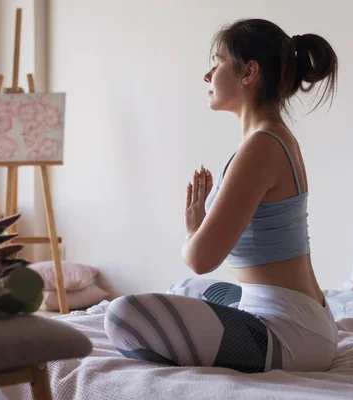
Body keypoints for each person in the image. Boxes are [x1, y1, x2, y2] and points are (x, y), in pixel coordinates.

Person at [104, 18, 339, 373]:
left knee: (121, 316)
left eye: (216, 63)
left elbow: (199, 257)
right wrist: (201, 230)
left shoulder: (262, 146)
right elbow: (200, 269)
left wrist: (191, 232)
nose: (207, 75)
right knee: (186, 288)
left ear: (249, 73)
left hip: (289, 334)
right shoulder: (271, 138)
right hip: (302, 319)